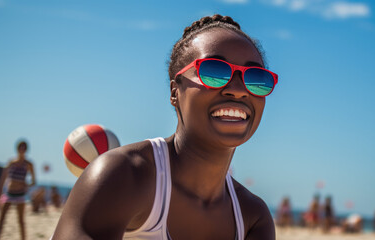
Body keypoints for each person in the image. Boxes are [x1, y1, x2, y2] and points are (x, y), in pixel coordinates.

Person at [53, 14, 277, 239]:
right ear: (174, 92)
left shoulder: (253, 217)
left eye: (256, 78)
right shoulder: (125, 176)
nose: (238, 90)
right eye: (214, 72)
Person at [0, 140, 36, 240]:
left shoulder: (29, 164)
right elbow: (3, 178)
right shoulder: (11, 162)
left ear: (26, 150)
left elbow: (34, 181)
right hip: (9, 194)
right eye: (20, 147)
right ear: (17, 149)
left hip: (20, 195)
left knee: (21, 221)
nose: (22, 149)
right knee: (1, 219)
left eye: (24, 147)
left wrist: (26, 185)